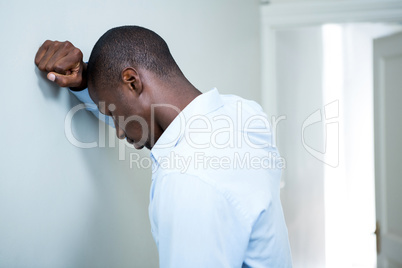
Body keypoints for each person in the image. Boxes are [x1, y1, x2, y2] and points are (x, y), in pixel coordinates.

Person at [35, 25, 292, 268]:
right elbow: (160, 126)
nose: (120, 132)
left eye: (113, 114)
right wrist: (90, 80)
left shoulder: (188, 182)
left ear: (133, 82)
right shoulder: (243, 113)